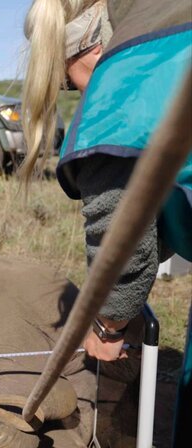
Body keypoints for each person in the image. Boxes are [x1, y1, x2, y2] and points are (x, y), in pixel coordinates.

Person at [22, 0, 191, 441]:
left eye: (65, 81)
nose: (77, 93)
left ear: (88, 48)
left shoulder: (122, 81)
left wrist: (108, 325)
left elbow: (121, 235)